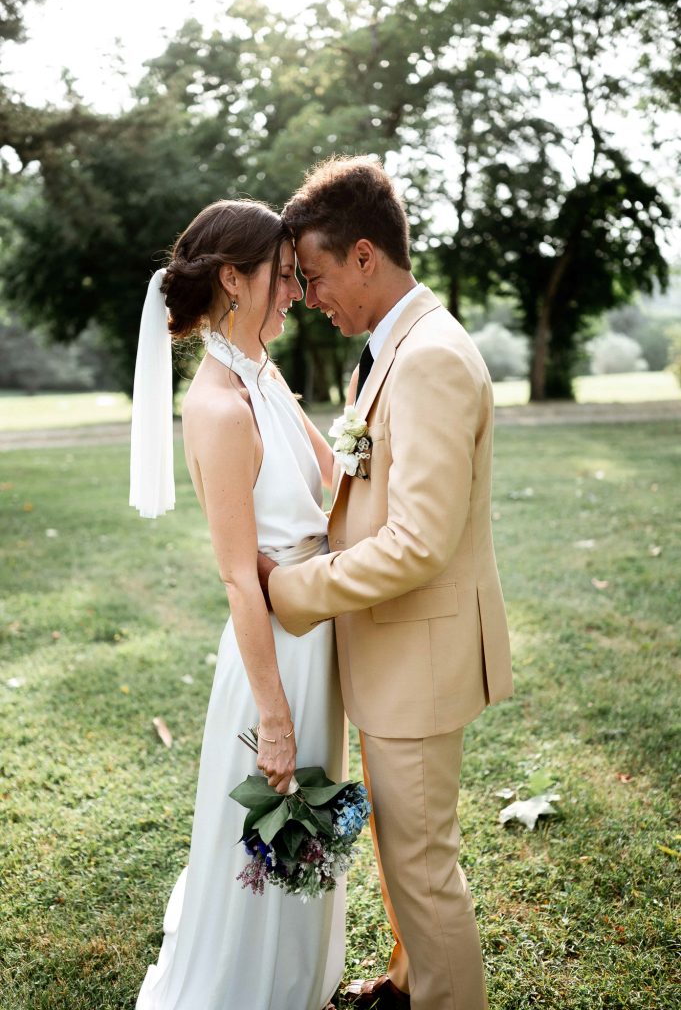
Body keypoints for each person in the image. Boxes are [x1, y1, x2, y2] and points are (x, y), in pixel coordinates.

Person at [258, 157, 514, 1010]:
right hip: (393, 650)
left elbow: (417, 543)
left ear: (364, 256)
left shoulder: (432, 356)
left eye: (317, 275)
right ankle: (408, 987)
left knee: (422, 861)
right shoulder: (390, 349)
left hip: (422, 654)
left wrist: (292, 589)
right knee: (400, 847)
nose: (311, 295)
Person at [129, 199, 345, 1010]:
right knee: (267, 833)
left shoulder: (263, 372)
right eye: (283, 277)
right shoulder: (219, 405)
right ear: (232, 278)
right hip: (272, 657)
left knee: (310, 833)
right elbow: (233, 576)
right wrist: (276, 716)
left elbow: (333, 472)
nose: (295, 291)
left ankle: (301, 982)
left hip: (311, 626)